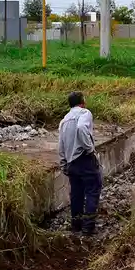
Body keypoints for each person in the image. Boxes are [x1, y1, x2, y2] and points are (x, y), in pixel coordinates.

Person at [57, 91, 101, 235]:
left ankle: (76, 224)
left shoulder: (64, 120)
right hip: (84, 159)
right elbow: (82, 128)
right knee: (92, 190)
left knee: (76, 193)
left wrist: (64, 163)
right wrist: (90, 149)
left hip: (71, 162)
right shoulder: (84, 113)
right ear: (82, 102)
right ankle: (88, 227)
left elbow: (61, 144)